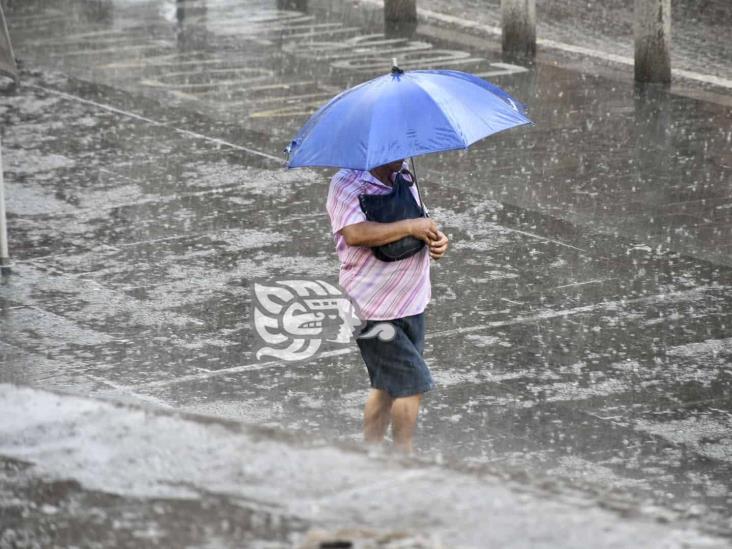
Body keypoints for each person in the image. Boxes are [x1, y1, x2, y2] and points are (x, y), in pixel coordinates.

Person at [326, 158, 449, 453]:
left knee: (385, 387)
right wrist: (409, 225)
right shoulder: (345, 183)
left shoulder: (405, 174)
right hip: (372, 307)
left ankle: (371, 452)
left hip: (413, 300)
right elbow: (355, 233)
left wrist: (438, 239)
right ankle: (402, 457)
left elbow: (420, 222)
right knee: (412, 383)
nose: (403, 153)